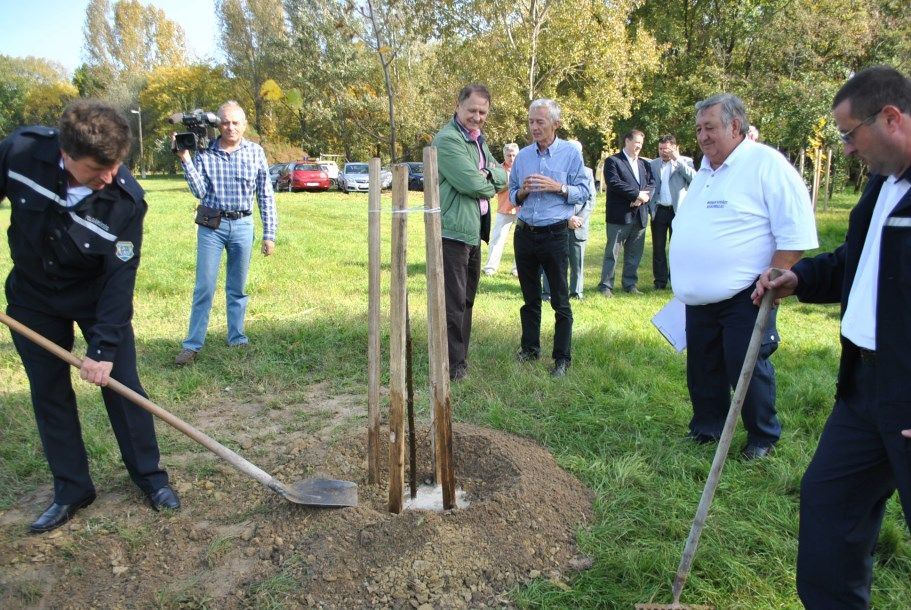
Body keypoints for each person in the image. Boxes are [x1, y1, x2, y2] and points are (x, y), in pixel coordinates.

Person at [753, 65, 911, 608]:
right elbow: (857, 261)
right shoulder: (882, 185)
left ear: (890, 117)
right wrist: (801, 279)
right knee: (829, 502)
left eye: (849, 133)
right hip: (866, 389)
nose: (845, 149)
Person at [0, 99, 180, 533]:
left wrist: (103, 348)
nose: (109, 176)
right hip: (32, 296)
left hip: (96, 298)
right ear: (66, 154)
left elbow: (121, 279)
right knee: (49, 392)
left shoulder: (125, 201)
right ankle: (72, 489)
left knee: (123, 386)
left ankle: (150, 478)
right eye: (99, 168)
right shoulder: (20, 153)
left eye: (116, 165)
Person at [670, 93, 818, 459]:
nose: (702, 137)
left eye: (710, 128)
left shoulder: (766, 164)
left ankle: (762, 437)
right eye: (699, 129)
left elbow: (795, 232)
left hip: (747, 293)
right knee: (703, 365)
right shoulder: (705, 170)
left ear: (735, 126)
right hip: (700, 298)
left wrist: (773, 278)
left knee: (746, 364)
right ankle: (707, 428)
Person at [174, 100, 277, 365]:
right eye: (225, 122)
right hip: (212, 228)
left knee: (237, 288)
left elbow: (265, 194)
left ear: (244, 125)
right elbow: (199, 191)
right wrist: (185, 159)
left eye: (235, 122)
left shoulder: (255, 152)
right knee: (204, 287)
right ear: (218, 125)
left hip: (243, 225)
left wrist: (269, 234)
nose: (230, 127)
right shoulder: (205, 151)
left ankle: (237, 338)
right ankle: (192, 346)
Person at [509, 99, 591, 377]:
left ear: (555, 124)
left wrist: (559, 188)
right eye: (531, 121)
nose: (534, 127)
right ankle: (530, 349)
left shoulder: (570, 154)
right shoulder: (522, 157)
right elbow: (511, 193)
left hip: (555, 234)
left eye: (540, 121)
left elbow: (584, 192)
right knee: (529, 297)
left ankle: (562, 358)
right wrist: (520, 193)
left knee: (559, 299)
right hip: (525, 233)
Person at [434, 84, 508, 382]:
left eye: (482, 112)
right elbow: (472, 184)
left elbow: (502, 175)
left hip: (472, 231)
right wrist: (489, 178)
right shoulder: (448, 140)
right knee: (452, 301)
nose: (477, 117)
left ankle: (459, 359)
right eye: (472, 110)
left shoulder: (477, 140)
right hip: (452, 232)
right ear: (458, 106)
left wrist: (488, 173)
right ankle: (451, 365)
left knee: (467, 299)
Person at [597, 129, 654, 297]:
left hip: (640, 215)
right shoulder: (613, 161)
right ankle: (606, 286)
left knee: (634, 253)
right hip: (619, 216)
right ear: (627, 141)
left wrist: (642, 198)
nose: (639, 146)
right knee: (612, 253)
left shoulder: (645, 164)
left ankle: (630, 284)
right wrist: (636, 194)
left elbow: (652, 184)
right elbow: (614, 183)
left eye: (641, 144)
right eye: (636, 142)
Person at [541, 139, 596, 300]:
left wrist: (578, 219)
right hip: (556, 222)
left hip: (579, 224)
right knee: (551, 259)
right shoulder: (554, 170)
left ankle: (576, 292)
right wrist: (566, 218)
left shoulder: (587, 172)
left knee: (577, 261)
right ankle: (548, 292)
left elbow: (591, 200)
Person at [648, 134, 695, 289]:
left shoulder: (686, 162)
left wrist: (678, 160)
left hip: (678, 211)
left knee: (677, 248)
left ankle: (676, 281)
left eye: (666, 149)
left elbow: (694, 179)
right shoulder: (653, 164)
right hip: (659, 210)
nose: (663, 152)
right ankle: (660, 282)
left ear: (674, 148)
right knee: (658, 248)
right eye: (660, 149)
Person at [483, 143, 520, 276]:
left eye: (514, 155)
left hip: (521, 209)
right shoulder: (498, 169)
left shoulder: (523, 167)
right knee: (497, 239)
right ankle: (490, 267)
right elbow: (495, 188)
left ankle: (517, 269)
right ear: (504, 155)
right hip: (504, 208)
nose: (511, 158)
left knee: (520, 241)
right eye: (509, 155)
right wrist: (510, 184)